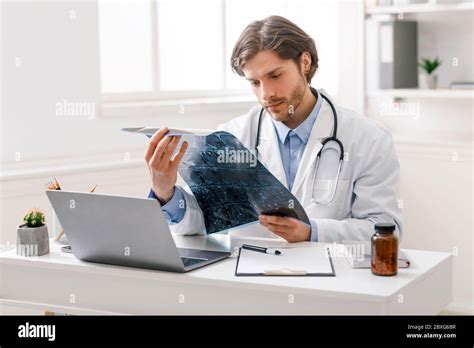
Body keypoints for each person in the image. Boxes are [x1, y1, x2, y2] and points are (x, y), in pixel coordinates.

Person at [145, 16, 402, 243]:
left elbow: (385, 230)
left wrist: (313, 232)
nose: (266, 94)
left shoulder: (369, 139)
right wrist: (165, 191)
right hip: (251, 283)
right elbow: (207, 219)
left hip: (333, 285)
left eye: (275, 76)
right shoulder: (231, 137)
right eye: (255, 82)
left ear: (304, 62)